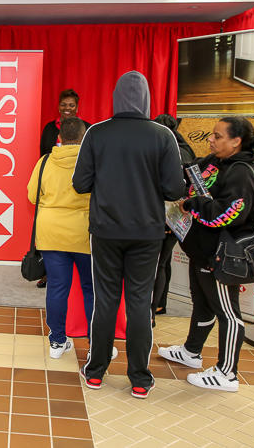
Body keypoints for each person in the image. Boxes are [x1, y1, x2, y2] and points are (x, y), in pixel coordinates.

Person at [73, 71, 185, 399]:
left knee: (105, 300)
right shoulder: (162, 135)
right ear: (147, 99)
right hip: (147, 232)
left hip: (105, 230)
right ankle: (139, 379)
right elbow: (174, 189)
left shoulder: (96, 133)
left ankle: (96, 372)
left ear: (116, 97)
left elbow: (80, 183)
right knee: (139, 302)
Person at [158, 116, 254, 393]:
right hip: (201, 252)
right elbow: (189, 176)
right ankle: (191, 351)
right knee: (203, 304)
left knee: (228, 313)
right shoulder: (213, 162)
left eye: (218, 136)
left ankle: (227, 373)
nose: (211, 139)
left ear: (236, 141)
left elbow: (229, 214)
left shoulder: (241, 172)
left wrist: (193, 205)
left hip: (221, 255)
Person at [27, 117, 93, 359]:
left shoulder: (45, 161)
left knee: (56, 287)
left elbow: (32, 196)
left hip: (51, 232)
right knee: (90, 288)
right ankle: (95, 342)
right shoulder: (93, 161)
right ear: (85, 138)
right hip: (85, 233)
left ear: (59, 138)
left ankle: (57, 341)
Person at [36, 88, 90, 289]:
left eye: (71, 105)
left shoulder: (88, 128)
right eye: (64, 104)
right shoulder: (50, 128)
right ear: (58, 106)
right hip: (55, 186)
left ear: (77, 107)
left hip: (78, 188)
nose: (67, 108)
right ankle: (47, 273)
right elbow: (43, 155)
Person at [152, 114, 196, 324]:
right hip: (180, 216)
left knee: (157, 264)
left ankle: (151, 310)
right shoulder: (186, 150)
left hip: (164, 214)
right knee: (164, 261)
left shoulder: (165, 150)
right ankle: (160, 303)